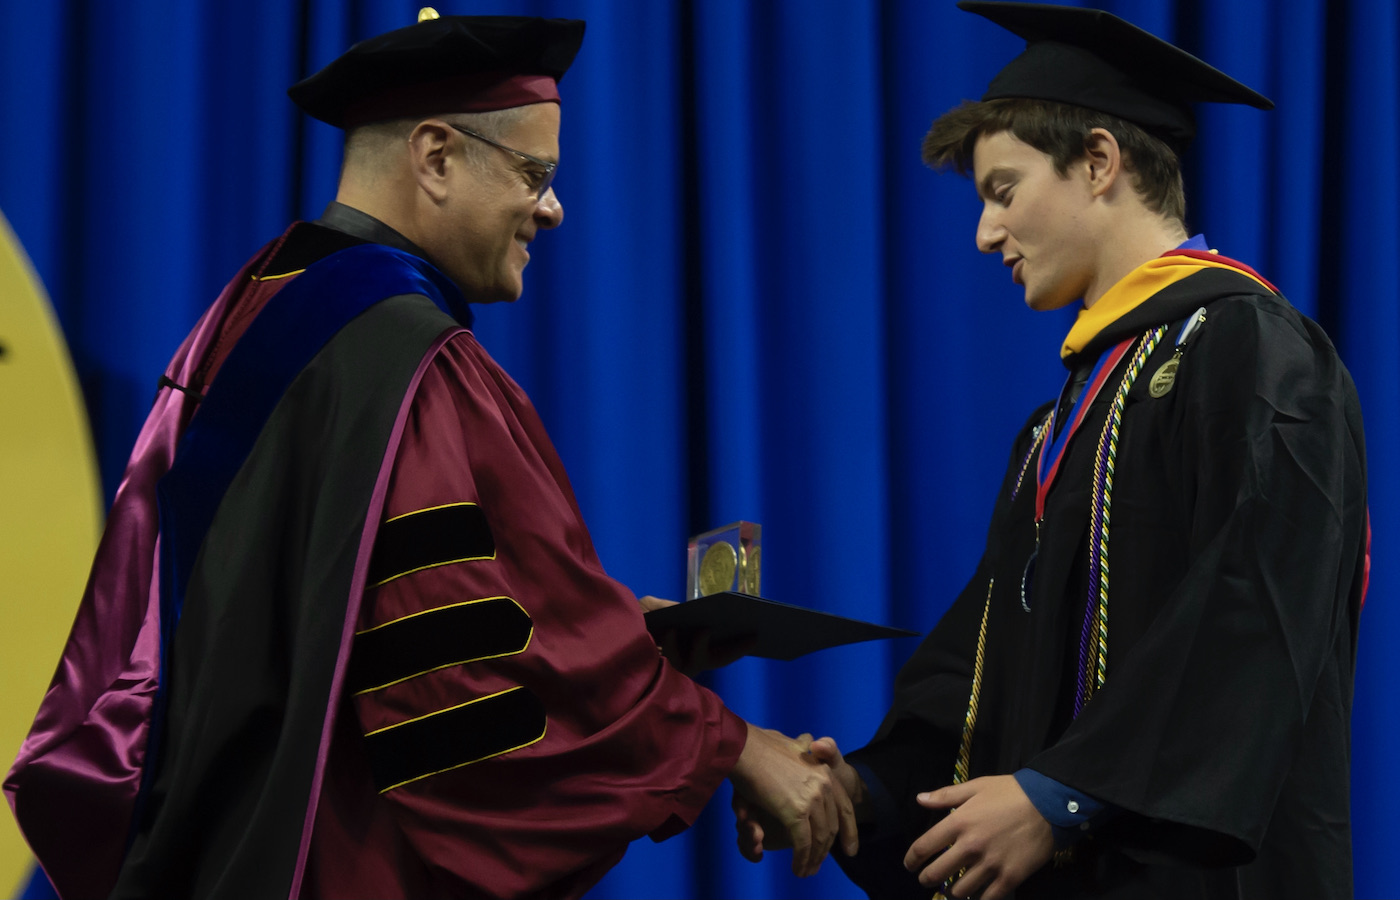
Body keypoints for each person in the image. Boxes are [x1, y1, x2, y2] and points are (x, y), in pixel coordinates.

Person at [5, 11, 856, 900]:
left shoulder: (244, 315)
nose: (555, 210)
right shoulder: (414, 362)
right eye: (537, 174)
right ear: (437, 157)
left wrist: (619, 646)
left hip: (210, 840)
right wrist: (727, 743)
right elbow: (460, 685)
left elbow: (368, 613)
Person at [734, 3, 1368, 898]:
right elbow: (986, 658)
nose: (986, 234)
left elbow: (1256, 612)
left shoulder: (1249, 351)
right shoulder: (1061, 419)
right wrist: (858, 791)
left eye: (1003, 190)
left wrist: (1063, 796)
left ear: (1101, 162)